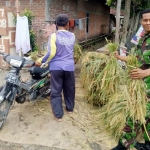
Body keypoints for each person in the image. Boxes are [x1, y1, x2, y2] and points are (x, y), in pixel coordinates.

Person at [112, 8, 150, 150]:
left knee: (134, 114)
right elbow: (137, 58)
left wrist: (145, 73)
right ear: (141, 21)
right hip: (143, 87)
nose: (148, 23)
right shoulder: (143, 38)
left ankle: (123, 146)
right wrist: (119, 57)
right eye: (145, 20)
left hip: (147, 83)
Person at [35, 14, 75, 122]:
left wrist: (40, 61)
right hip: (69, 67)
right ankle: (70, 109)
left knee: (56, 90)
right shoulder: (72, 36)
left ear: (56, 24)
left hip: (56, 67)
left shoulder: (54, 36)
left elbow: (51, 53)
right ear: (67, 24)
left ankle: (58, 116)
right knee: (69, 89)